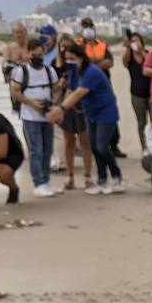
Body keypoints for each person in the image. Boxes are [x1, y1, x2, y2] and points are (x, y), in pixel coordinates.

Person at [48, 43, 122, 195]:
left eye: (72, 58)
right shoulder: (74, 72)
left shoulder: (91, 72)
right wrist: (60, 108)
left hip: (105, 112)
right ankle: (102, 179)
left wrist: (61, 109)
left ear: (81, 57)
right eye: (67, 59)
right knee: (93, 147)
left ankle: (117, 176)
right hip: (91, 113)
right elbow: (70, 90)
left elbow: (79, 93)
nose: (69, 62)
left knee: (102, 146)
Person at [10, 36, 60, 197]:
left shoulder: (49, 71)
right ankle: (38, 182)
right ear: (29, 53)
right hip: (30, 116)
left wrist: (52, 103)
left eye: (41, 55)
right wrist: (32, 103)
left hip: (47, 115)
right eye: (36, 54)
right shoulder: (21, 71)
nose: (39, 58)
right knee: (36, 150)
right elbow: (15, 92)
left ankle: (46, 180)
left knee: (48, 149)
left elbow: (57, 88)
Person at [80, 17, 123, 157]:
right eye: (85, 26)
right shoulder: (78, 45)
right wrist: (98, 63)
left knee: (109, 113)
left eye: (90, 26)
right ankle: (93, 146)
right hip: (86, 84)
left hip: (104, 84)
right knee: (89, 115)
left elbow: (109, 62)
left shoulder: (102, 45)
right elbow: (81, 63)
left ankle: (114, 145)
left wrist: (92, 66)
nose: (88, 29)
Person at [55, 33, 93, 191]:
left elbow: (77, 91)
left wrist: (61, 107)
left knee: (85, 143)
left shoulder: (85, 70)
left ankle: (87, 176)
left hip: (81, 107)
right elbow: (62, 90)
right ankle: (71, 177)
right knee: (68, 142)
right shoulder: (63, 68)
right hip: (68, 107)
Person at [123, 32, 152, 146]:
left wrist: (141, 52)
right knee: (142, 123)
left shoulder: (148, 54)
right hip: (137, 94)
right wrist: (128, 48)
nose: (135, 43)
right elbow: (125, 63)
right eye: (133, 41)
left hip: (151, 93)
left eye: (137, 40)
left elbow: (151, 64)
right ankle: (144, 147)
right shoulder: (129, 56)